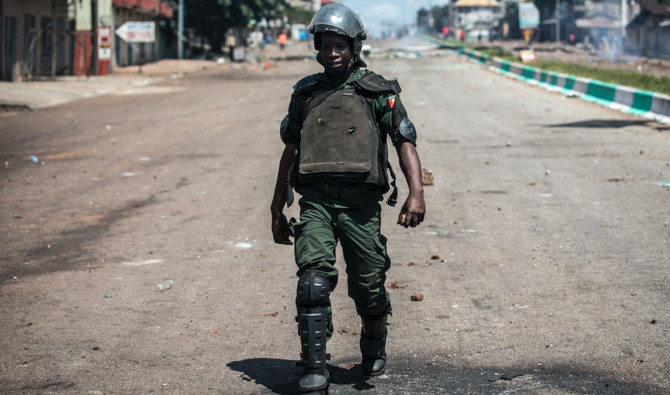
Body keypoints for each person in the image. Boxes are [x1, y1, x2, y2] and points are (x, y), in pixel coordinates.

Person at [270, 3, 426, 393]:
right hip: (318, 201)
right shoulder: (306, 93)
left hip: (360, 206)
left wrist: (416, 193)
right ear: (318, 48)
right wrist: (276, 207)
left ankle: (374, 342)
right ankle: (315, 367)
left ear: (354, 46)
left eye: (340, 45)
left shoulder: (377, 91)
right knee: (312, 284)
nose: (333, 52)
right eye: (326, 45)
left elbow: (403, 139)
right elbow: (290, 150)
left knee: (369, 287)